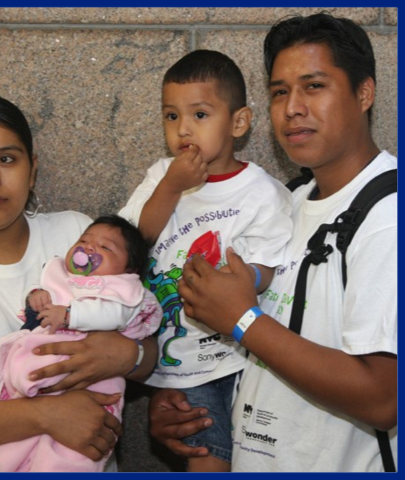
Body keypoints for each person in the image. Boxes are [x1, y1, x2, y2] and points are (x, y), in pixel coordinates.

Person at [150, 12, 397, 472]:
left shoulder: (388, 216)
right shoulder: (290, 200)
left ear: (364, 93)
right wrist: (187, 398)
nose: (292, 108)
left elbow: (384, 398)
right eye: (280, 91)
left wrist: (241, 320)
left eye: (314, 86)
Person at [0, 93, 157, 473]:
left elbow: (145, 349)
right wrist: (46, 415)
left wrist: (127, 355)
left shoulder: (77, 235)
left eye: (7, 159)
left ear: (32, 170)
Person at [119, 49, 293, 472]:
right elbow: (134, 243)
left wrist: (243, 279)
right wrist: (171, 187)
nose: (183, 130)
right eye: (171, 116)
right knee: (205, 452)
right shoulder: (161, 176)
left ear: (238, 122)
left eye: (199, 115)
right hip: (181, 360)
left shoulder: (261, 192)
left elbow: (270, 263)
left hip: (242, 355)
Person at [0, 214, 162, 472]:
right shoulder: (61, 273)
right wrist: (37, 295)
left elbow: (113, 317)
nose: (90, 247)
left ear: (130, 270)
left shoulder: (120, 291)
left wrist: (71, 315)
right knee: (17, 435)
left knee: (77, 445)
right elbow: (46, 294)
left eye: (106, 247)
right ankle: (4, 461)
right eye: (84, 240)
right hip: (43, 370)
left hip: (95, 378)